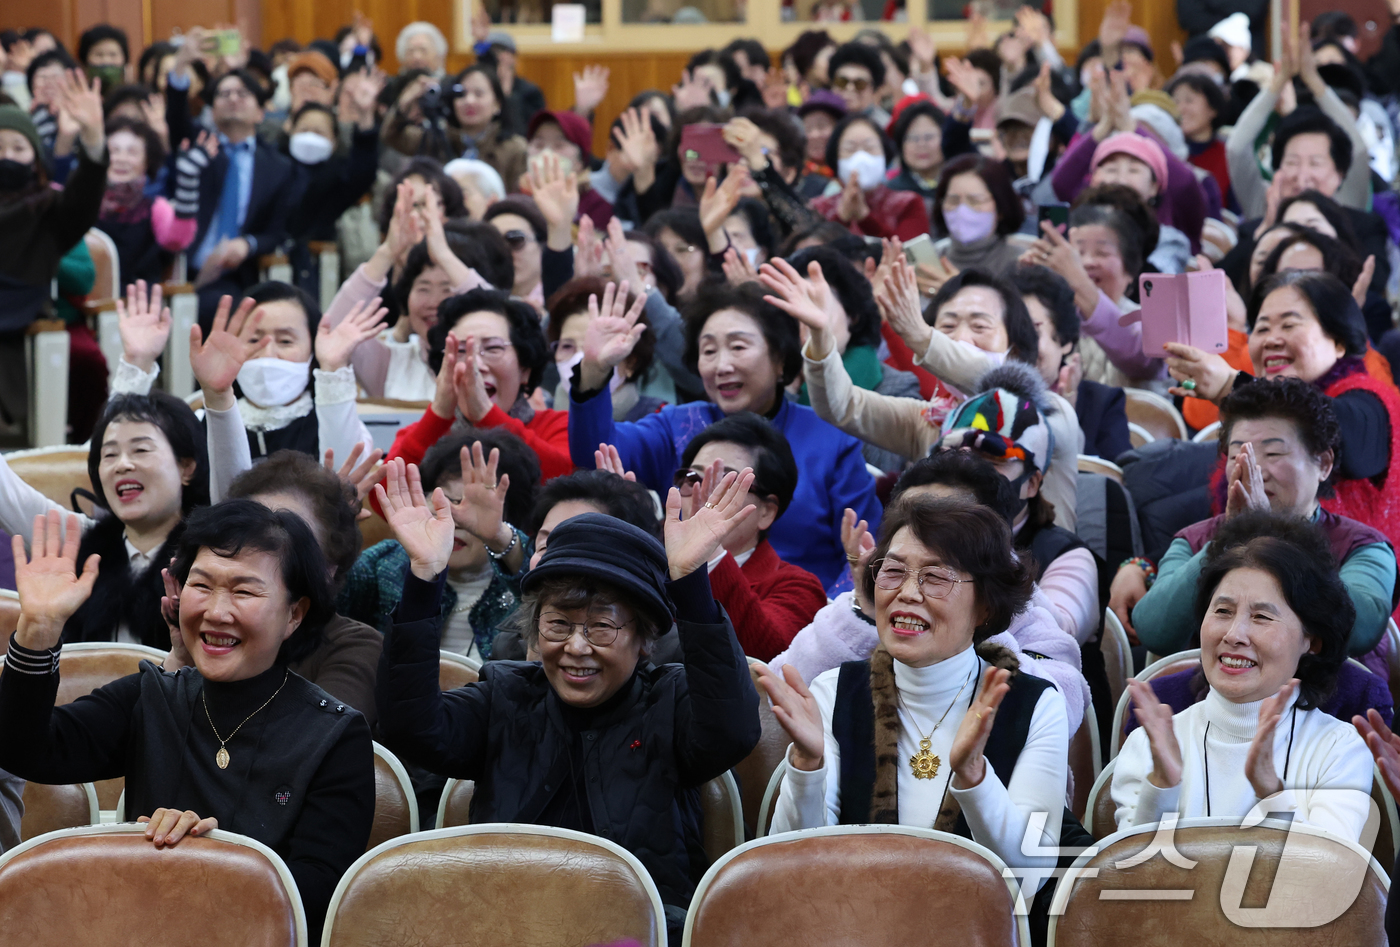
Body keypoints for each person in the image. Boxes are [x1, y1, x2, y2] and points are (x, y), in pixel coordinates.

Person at [373, 459, 761, 943]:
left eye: (601, 626)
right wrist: (424, 579)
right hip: (505, 928)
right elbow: (411, 728)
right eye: (559, 624)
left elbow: (734, 731)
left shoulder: (670, 699)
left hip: (637, 932)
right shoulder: (505, 694)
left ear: (643, 639)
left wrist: (691, 584)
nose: (577, 647)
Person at [0, 503, 375, 942]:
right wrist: (39, 629)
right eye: (202, 585)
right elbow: (26, 750)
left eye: (244, 592)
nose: (217, 612)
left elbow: (315, 900)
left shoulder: (335, 734)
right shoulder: (154, 695)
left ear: (294, 613)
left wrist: (206, 858)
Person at [759, 496, 1069, 899]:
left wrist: (975, 777)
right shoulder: (834, 691)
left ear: (986, 606)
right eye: (893, 572)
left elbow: (1029, 880)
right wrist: (807, 765)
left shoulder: (1035, 705)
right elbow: (794, 867)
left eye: (935, 577)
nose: (906, 593)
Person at [567, 280, 882, 593]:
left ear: (780, 357)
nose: (721, 365)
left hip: (802, 615)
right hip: (688, 606)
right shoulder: (677, 424)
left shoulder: (831, 438)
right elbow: (595, 454)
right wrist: (594, 371)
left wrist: (826, 623)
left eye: (738, 346)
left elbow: (864, 551)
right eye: (708, 351)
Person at [1111, 513, 1373, 842]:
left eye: (1261, 616)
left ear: (1312, 640)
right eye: (1222, 611)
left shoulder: (1339, 749)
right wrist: (1163, 786)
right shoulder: (1150, 746)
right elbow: (1130, 883)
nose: (1235, 634)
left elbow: (1325, 881)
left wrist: (1272, 794)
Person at [1113, 377, 1396, 660]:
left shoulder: (1362, 545)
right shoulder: (1195, 539)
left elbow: (1361, 630)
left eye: (1273, 453)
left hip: (1331, 699)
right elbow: (1154, 631)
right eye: (1238, 455)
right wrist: (1230, 539)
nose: (1255, 470)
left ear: (1323, 464)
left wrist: (1269, 533)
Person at [796, 255, 1082, 531]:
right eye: (947, 327)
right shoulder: (931, 420)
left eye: (980, 326)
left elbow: (1003, 388)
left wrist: (921, 337)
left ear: (1015, 349)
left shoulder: (1050, 414)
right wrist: (821, 338)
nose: (960, 338)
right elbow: (841, 405)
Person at [1165, 271, 1400, 545]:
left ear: (1338, 342)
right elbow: (1216, 528)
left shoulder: (1369, 397)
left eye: (1289, 325)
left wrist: (1232, 384)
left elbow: (1353, 445)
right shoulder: (1251, 416)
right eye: (1262, 328)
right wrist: (1145, 564)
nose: (1271, 340)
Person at [0, 385, 207, 648]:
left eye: (140, 450)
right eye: (109, 454)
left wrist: (219, 397)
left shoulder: (212, 553)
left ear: (186, 467)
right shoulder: (82, 544)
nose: (122, 464)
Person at [115, 283, 377, 467]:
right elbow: (117, 454)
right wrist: (138, 360)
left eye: (285, 341)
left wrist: (333, 368)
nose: (268, 352)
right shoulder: (199, 420)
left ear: (313, 352)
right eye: (254, 339)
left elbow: (349, 485)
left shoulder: (336, 422)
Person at [226, 449, 388, 726]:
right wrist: (180, 658)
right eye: (250, 538)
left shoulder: (355, 645)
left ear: (330, 567)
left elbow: (316, 743)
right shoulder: (213, 627)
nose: (264, 559)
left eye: (291, 542)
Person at [343, 431, 538, 660]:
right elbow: (323, 598)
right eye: (442, 500)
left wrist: (499, 537)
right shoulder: (386, 561)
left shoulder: (528, 576)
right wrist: (324, 528)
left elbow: (540, 588)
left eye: (472, 505)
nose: (454, 518)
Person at [322, 180, 495, 402]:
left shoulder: (496, 358)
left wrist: (443, 254)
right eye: (423, 288)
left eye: (448, 289)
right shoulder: (389, 364)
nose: (435, 302)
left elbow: (500, 316)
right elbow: (337, 329)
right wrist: (387, 252)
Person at [0, 74, 106, 429]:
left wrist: (91, 138)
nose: (7, 157)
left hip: (25, 318)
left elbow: (84, 199)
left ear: (35, 157)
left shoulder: (48, 208)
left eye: (18, 148)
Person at [676, 414, 827, 661]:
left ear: (766, 512)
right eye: (693, 478)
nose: (700, 494)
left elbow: (770, 654)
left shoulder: (798, 586)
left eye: (723, 484)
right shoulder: (652, 562)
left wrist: (708, 550)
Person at [164, 53, 301, 318]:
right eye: (224, 94)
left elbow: (277, 232)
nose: (233, 98)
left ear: (261, 112)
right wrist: (180, 67)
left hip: (236, 273)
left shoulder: (278, 167)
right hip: (182, 266)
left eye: (243, 93)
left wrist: (246, 244)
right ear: (212, 110)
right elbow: (177, 119)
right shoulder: (198, 147)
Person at [386, 288, 569, 479]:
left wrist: (485, 415)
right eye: (461, 350)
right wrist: (439, 412)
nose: (476, 365)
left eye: (492, 348)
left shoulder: (557, 426)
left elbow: (565, 478)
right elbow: (381, 497)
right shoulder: (420, 433)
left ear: (525, 369)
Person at [786, 245, 921, 473]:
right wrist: (787, 394)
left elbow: (884, 471)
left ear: (853, 316)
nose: (805, 320)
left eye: (816, 306)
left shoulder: (895, 387)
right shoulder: (773, 384)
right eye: (794, 309)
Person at [1010, 266, 1131, 460]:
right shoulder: (982, 400)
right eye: (1009, 333)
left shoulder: (1102, 403)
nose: (1019, 346)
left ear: (1065, 340)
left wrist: (1067, 423)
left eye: (1031, 332)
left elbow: (1113, 484)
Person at [95, 117, 207, 289]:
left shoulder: (154, 207)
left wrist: (187, 181)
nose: (121, 159)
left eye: (132, 152)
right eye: (113, 151)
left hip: (137, 300)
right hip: (87, 303)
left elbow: (177, 241)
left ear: (147, 161)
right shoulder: (85, 199)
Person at [384, 65, 528, 191]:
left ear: (497, 104)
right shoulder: (437, 138)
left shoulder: (514, 149)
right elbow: (391, 136)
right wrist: (405, 100)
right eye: (461, 94)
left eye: (479, 94)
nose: (469, 101)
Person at [546, 277, 664, 421]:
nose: (582, 359)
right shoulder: (540, 415)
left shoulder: (658, 418)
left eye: (599, 345)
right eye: (567, 346)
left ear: (632, 362)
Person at [810, 113, 929, 242]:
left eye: (869, 148)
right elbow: (812, 253)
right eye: (850, 149)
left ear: (885, 154)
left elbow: (912, 255)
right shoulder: (819, 208)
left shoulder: (907, 204)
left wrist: (865, 218)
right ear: (835, 159)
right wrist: (841, 217)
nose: (861, 157)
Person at [930, 153, 1026, 275]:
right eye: (953, 200)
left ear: (1000, 208)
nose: (962, 210)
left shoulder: (1021, 263)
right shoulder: (931, 259)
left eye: (975, 201)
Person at [886, 98, 945, 223]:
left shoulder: (955, 187)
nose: (921, 144)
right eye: (912, 138)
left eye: (929, 137)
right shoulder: (891, 192)